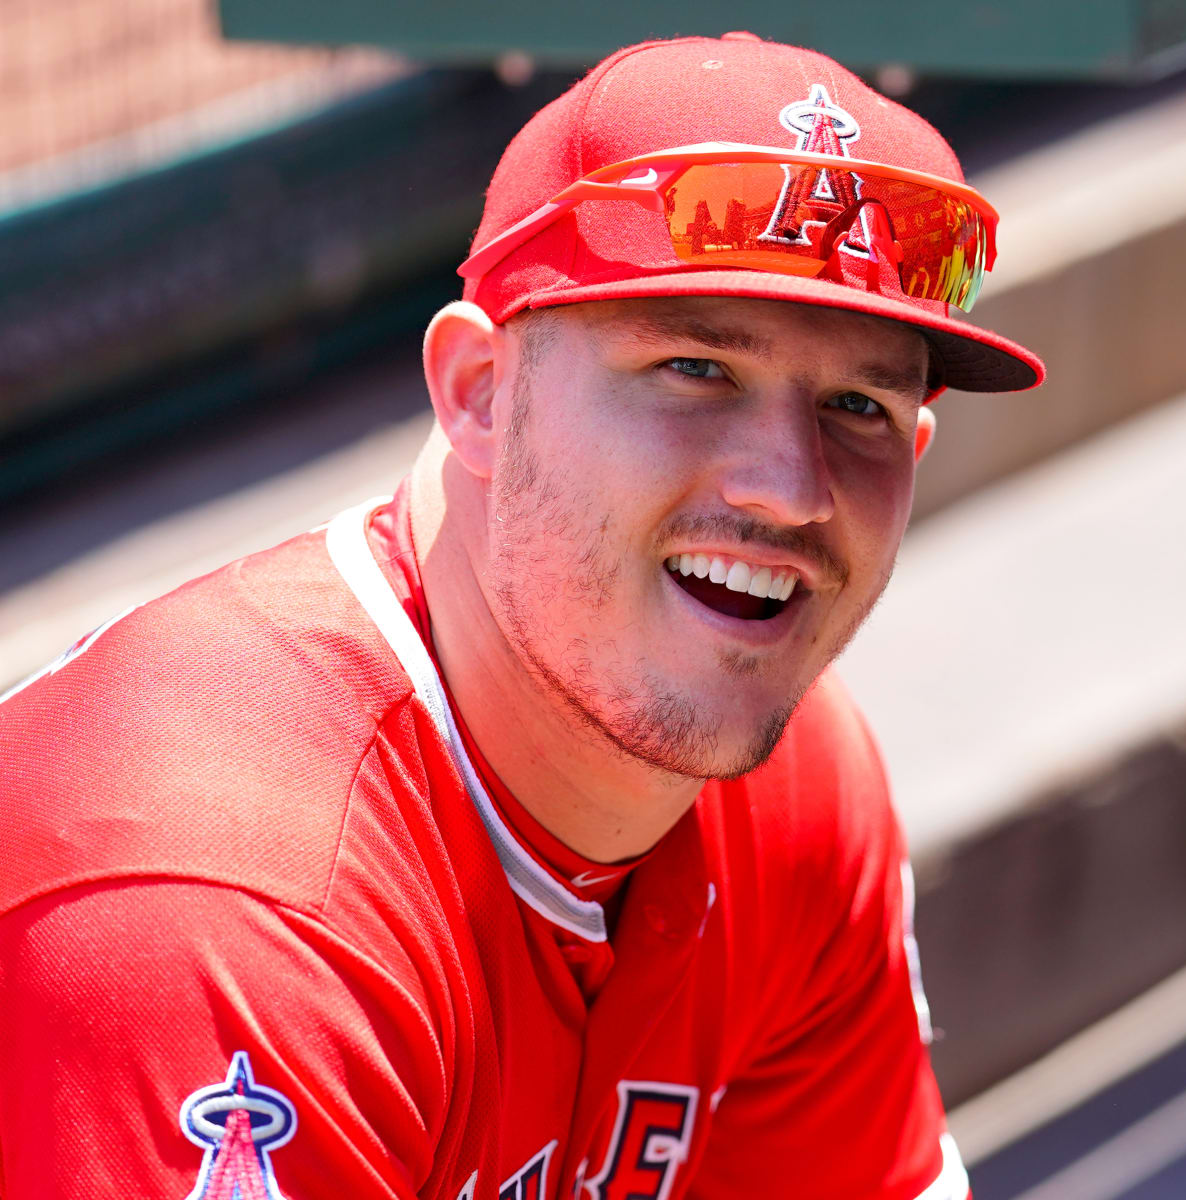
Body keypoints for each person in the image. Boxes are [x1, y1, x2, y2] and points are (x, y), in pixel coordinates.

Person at [0, 31, 1042, 1200]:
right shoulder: (234, 916)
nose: (791, 486)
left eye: (858, 404)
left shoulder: (792, 793)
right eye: (695, 368)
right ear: (482, 397)